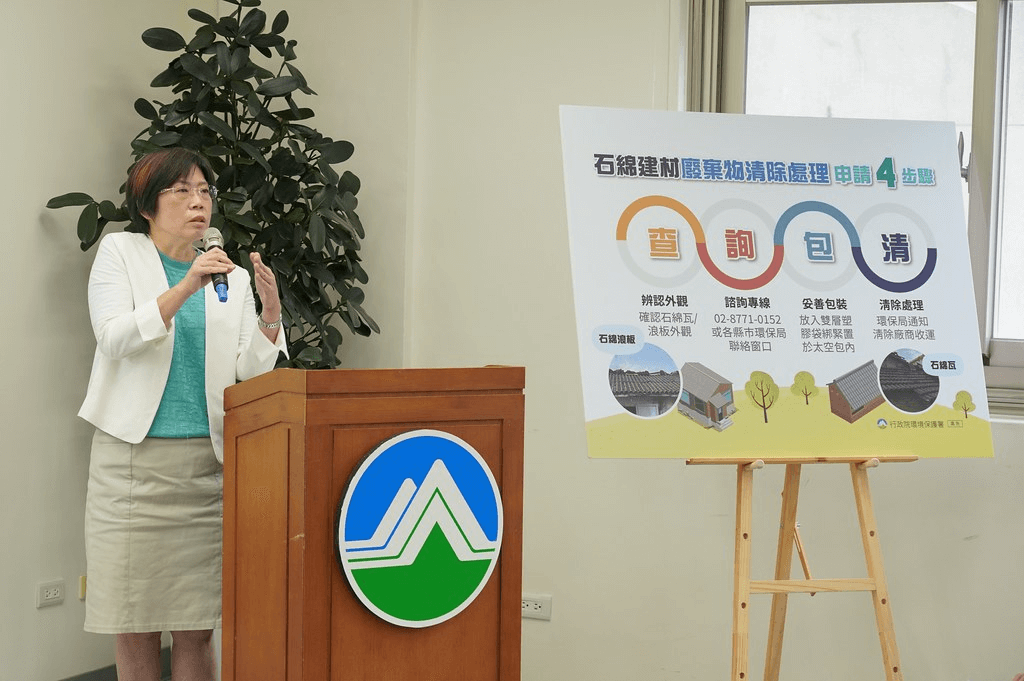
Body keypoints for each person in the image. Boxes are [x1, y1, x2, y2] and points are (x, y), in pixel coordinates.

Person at [78, 147, 288, 680]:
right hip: (131, 468)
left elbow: (249, 372)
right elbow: (115, 338)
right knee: (136, 624)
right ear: (147, 205)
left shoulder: (230, 277)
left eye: (204, 191)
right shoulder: (120, 252)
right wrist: (184, 287)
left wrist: (270, 313)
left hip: (205, 470)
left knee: (197, 626)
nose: (199, 202)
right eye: (182, 191)